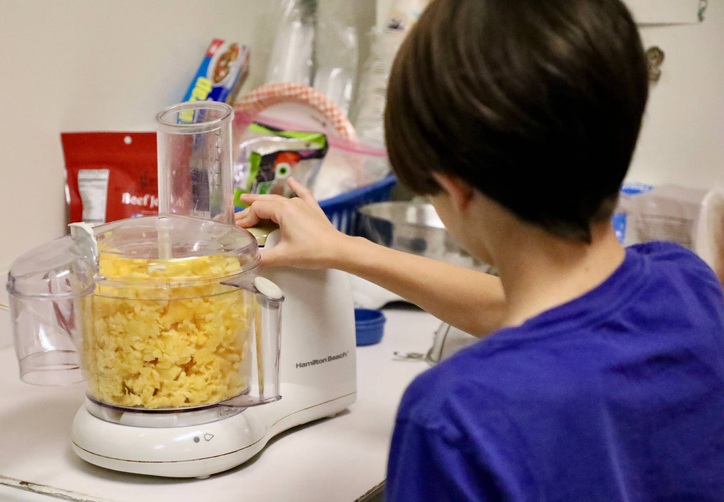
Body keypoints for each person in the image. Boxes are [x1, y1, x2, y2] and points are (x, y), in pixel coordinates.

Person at [236, 0, 724, 499]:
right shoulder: (689, 285)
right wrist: (344, 249)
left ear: (457, 187)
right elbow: (536, 317)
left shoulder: (456, 415)